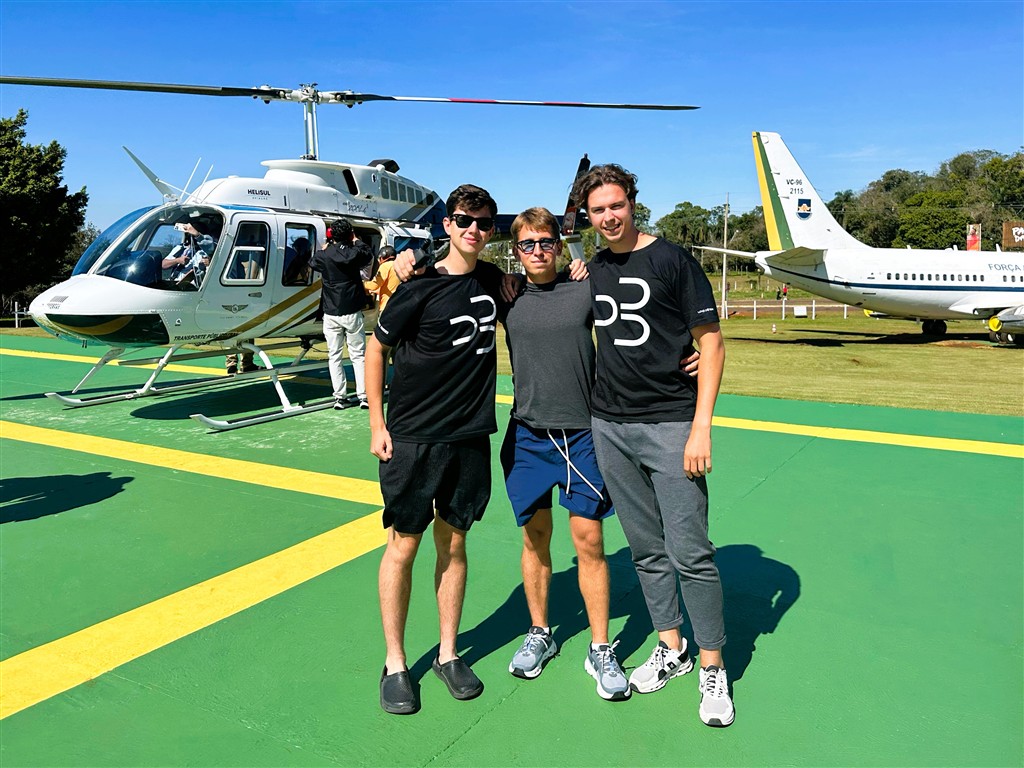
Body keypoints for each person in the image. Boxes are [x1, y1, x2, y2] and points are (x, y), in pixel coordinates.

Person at [571, 163, 733, 727]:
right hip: (610, 426)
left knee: (691, 552)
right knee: (645, 550)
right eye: (598, 210)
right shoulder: (592, 268)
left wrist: (701, 426)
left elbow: (711, 344)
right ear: (588, 215)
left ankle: (713, 665)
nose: (609, 217)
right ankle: (672, 647)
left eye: (616, 205)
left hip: (671, 425)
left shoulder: (672, 260)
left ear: (633, 203)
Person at [365, 184, 505, 715]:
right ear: (447, 224)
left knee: (454, 545)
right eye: (464, 220)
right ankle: (396, 662)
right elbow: (376, 350)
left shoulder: (495, 282)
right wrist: (376, 422)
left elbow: (550, 286)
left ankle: (448, 653)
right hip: (412, 438)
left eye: (483, 223)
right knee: (403, 546)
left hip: (468, 438)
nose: (474, 230)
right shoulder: (417, 285)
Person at [499, 207, 629, 700]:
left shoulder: (585, 286)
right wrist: (408, 264)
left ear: (559, 243)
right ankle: (540, 632)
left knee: (589, 541)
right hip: (528, 437)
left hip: (582, 436)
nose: (537, 251)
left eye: (545, 242)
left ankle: (600, 647)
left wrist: (690, 348)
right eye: (527, 244)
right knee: (535, 539)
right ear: (516, 250)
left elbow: (636, 318)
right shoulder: (506, 293)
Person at [311, 219, 373, 410]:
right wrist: (356, 240)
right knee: (358, 355)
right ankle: (364, 396)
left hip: (331, 311)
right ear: (350, 234)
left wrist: (326, 248)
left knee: (334, 355)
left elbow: (312, 262)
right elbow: (367, 253)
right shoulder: (354, 253)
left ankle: (340, 397)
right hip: (351, 310)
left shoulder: (324, 255)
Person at [364, 246, 401, 314]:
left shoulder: (385, 266)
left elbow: (374, 285)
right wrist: (375, 291)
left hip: (387, 306)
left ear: (382, 257)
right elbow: (392, 286)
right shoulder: (399, 265)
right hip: (398, 304)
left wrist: (362, 283)